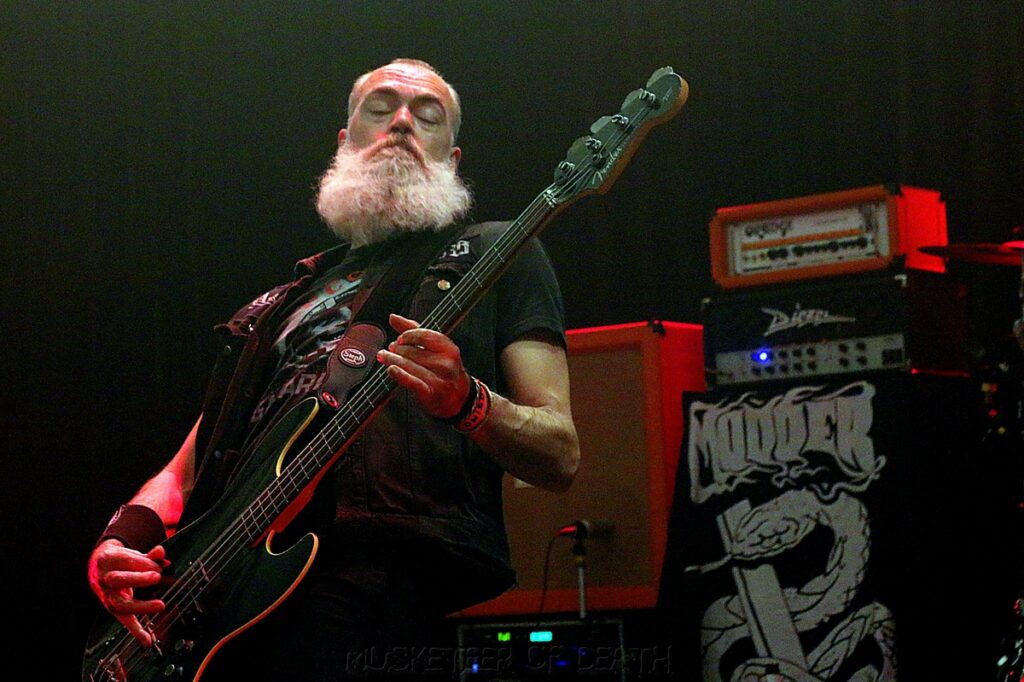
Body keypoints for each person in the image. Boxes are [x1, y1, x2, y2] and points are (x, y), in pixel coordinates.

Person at [87, 58, 579, 680]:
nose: (402, 122)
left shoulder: (496, 252)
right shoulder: (278, 303)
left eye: (427, 117)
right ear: (345, 143)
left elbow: (559, 452)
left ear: (452, 160)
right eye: (381, 108)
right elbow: (185, 471)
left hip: (372, 587)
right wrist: (121, 542)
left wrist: (468, 401)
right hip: (221, 601)